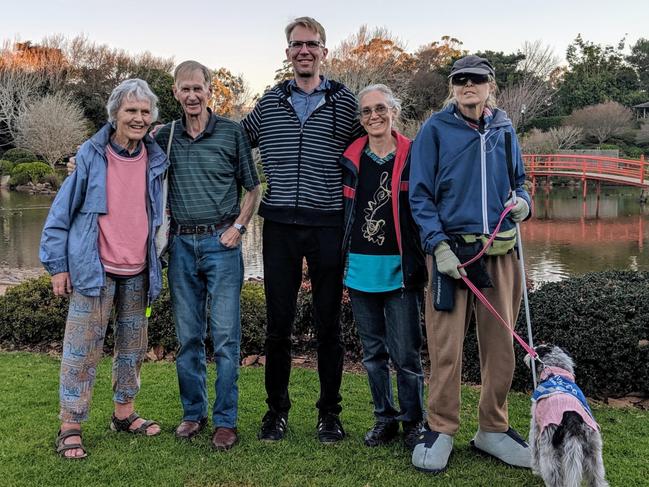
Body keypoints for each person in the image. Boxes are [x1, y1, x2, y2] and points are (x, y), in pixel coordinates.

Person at [241, 17, 362, 443]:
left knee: (329, 324)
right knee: (278, 325)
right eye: (297, 45)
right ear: (288, 52)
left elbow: (377, 147)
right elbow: (236, 143)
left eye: (312, 44)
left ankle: (329, 413)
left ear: (324, 52)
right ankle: (276, 412)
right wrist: (171, 139)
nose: (304, 51)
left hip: (329, 225)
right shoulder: (270, 102)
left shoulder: (347, 104)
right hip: (278, 228)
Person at [408, 55, 532, 473]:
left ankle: (492, 429)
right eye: (460, 80)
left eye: (476, 80)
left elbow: (521, 180)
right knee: (446, 349)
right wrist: (437, 244)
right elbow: (419, 195)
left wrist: (524, 202)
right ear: (452, 87)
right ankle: (441, 427)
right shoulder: (434, 129)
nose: (468, 86)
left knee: (501, 349)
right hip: (451, 256)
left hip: (500, 252)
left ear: (490, 85)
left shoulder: (504, 127)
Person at [41, 79, 167, 459]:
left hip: (139, 271)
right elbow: (59, 215)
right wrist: (57, 266)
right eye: (131, 111)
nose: (138, 118)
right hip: (93, 271)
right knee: (81, 351)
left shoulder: (156, 157)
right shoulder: (91, 156)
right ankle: (70, 425)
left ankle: (124, 415)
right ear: (114, 114)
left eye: (145, 112)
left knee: (132, 349)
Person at [155, 60, 261, 450]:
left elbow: (253, 188)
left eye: (198, 88)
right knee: (188, 338)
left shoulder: (232, 133)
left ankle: (226, 420)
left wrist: (239, 227)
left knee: (226, 338)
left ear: (209, 90)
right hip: (181, 246)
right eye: (185, 89)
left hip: (222, 244)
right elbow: (124, 145)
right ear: (175, 93)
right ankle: (192, 413)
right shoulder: (163, 136)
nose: (192, 95)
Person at [339, 84, 426, 450]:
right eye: (366, 111)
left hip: (400, 271)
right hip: (360, 271)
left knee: (406, 355)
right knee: (373, 355)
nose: (373, 116)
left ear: (394, 111)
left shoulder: (413, 154)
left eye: (380, 109)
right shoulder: (350, 158)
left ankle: (414, 422)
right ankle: (384, 418)